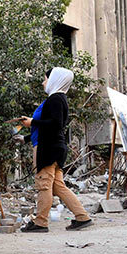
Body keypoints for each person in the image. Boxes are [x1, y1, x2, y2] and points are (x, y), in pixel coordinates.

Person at [20, 67, 93, 233]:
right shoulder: (60, 99)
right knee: (58, 186)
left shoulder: (55, 99)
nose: (43, 83)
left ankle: (40, 222)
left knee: (44, 185)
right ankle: (82, 216)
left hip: (49, 148)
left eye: (45, 79)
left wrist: (32, 122)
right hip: (56, 146)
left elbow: (55, 124)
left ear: (54, 80)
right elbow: (51, 127)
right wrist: (26, 137)